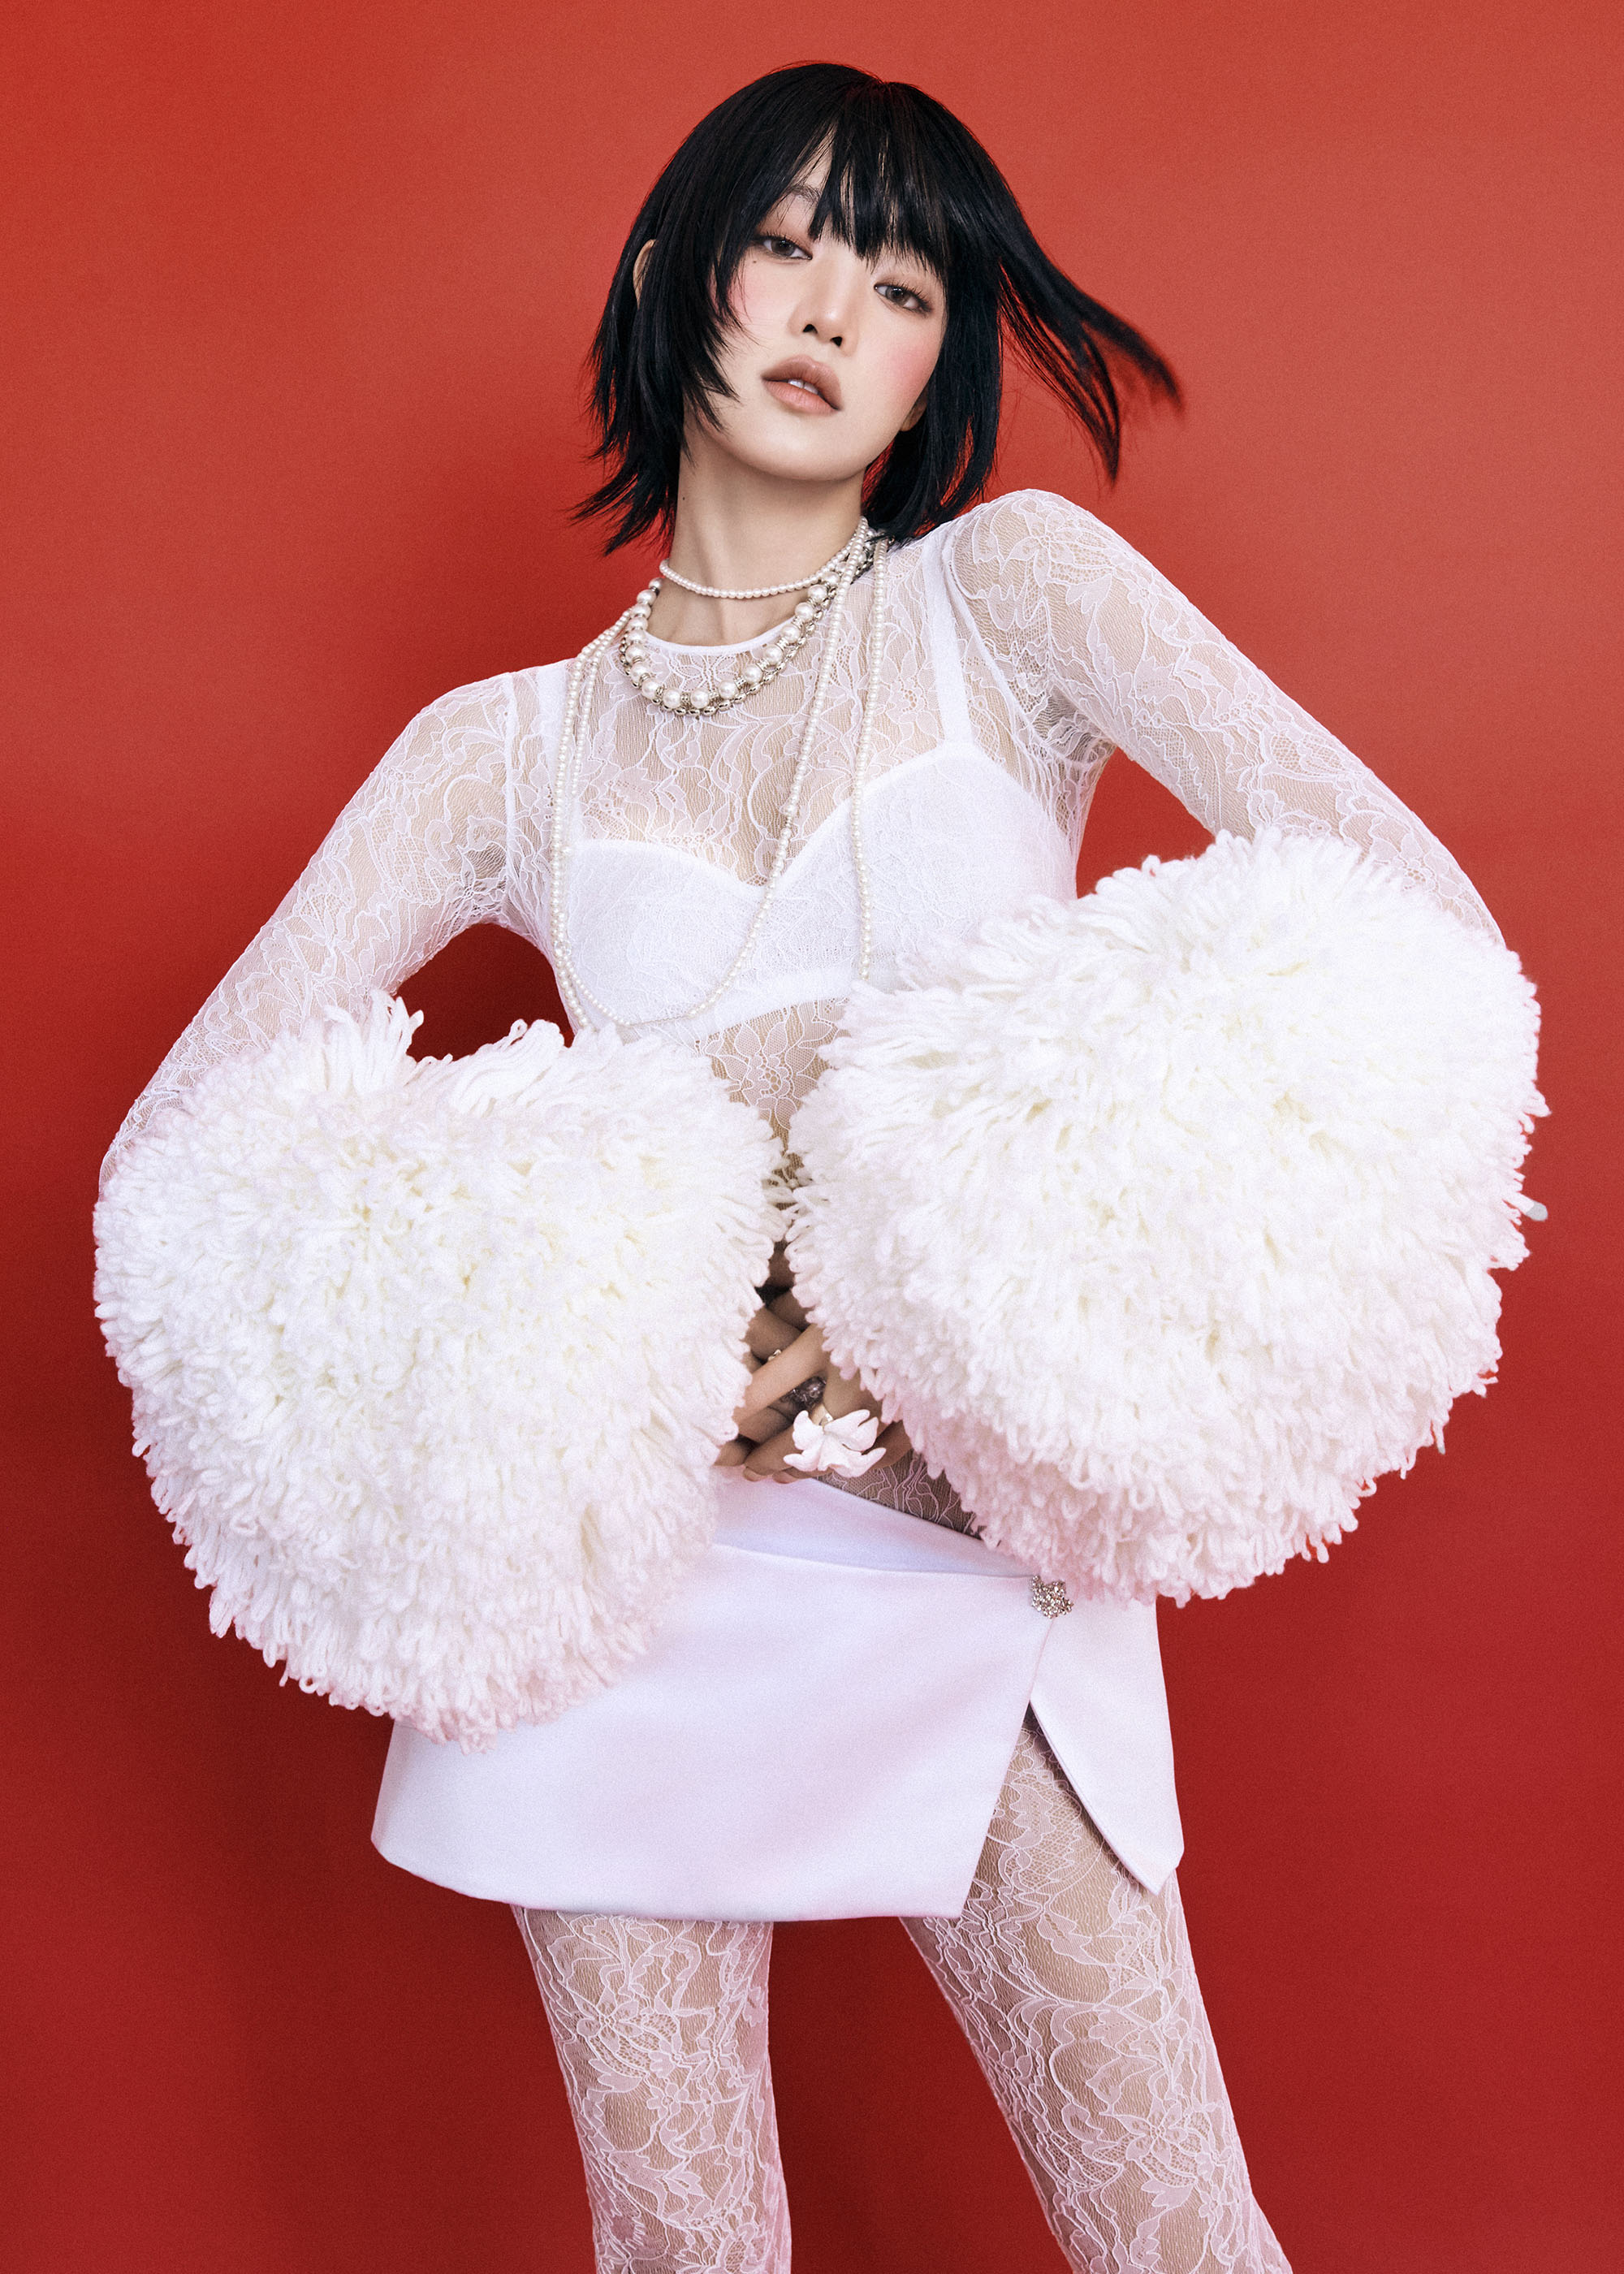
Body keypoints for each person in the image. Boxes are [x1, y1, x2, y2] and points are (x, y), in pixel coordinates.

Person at [103, 62, 1507, 2274]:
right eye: (788, 245)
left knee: (1175, 2237)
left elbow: (1415, 925)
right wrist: (583, 1344)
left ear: (940, 365)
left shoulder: (1014, 597)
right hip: (641, 1593)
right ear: (676, 273)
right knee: (686, 2253)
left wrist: (933, 1303)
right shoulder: (499, 753)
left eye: (906, 285)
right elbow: (175, 1169)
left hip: (972, 1542)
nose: (836, 312)